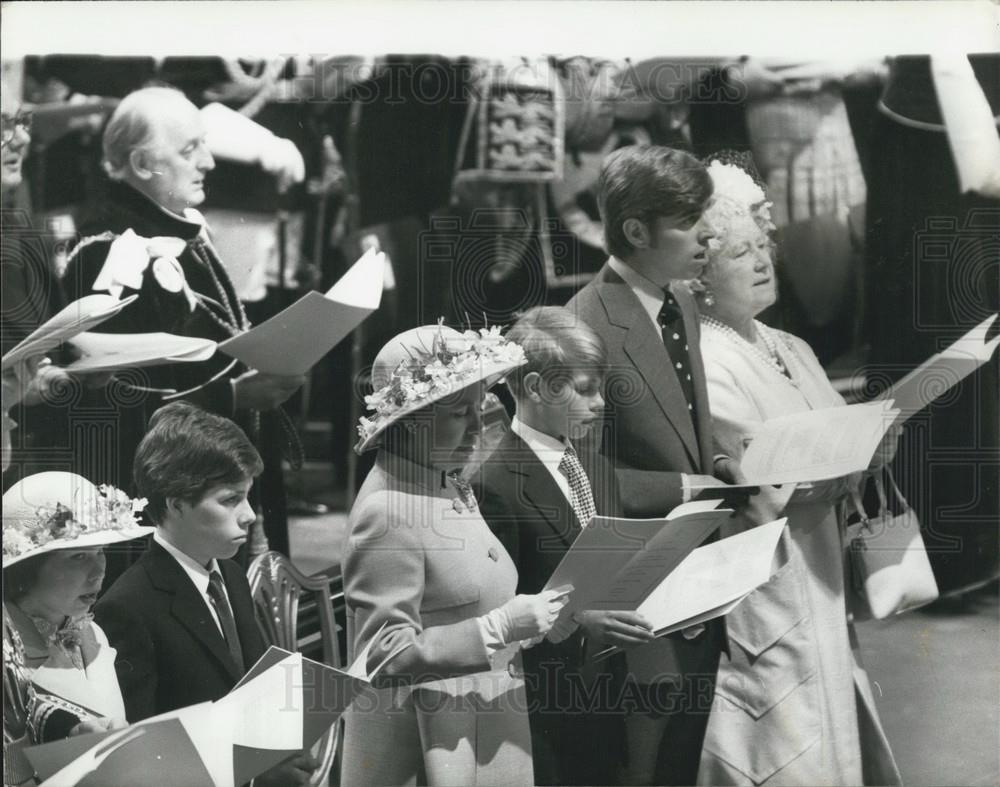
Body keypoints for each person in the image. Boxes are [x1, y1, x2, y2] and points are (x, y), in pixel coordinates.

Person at [691, 156, 901, 785]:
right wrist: (849, 457)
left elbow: (833, 436)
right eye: (741, 253)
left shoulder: (791, 345)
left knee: (835, 721)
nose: (763, 261)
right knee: (788, 734)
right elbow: (757, 471)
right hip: (771, 566)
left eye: (764, 246)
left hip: (823, 557)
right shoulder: (705, 360)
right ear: (700, 275)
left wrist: (875, 446)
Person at [61, 86, 304, 554]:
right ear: (141, 164)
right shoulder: (108, 254)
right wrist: (233, 395)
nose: (208, 162)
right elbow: (109, 399)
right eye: (189, 150)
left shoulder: (177, 228)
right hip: (170, 508)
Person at [564, 144, 736, 785]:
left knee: (682, 754)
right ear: (637, 232)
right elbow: (574, 477)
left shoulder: (678, 301)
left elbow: (683, 419)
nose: (710, 233)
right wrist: (685, 485)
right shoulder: (583, 323)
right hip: (635, 581)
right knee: (640, 762)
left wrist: (718, 460)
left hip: (697, 567)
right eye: (690, 221)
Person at [341, 322, 567, 786]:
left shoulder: (445, 477)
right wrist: (499, 628)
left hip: (481, 718)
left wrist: (527, 628)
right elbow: (382, 658)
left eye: (477, 409)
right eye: (459, 413)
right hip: (431, 746)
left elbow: (464, 598)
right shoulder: (387, 510)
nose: (477, 428)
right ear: (412, 422)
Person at [474, 305, 653, 785]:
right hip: (543, 705)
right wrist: (578, 619)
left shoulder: (595, 465)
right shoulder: (495, 482)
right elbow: (498, 609)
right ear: (535, 388)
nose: (600, 403)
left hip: (606, 692)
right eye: (585, 389)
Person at [93, 402, 318, 786]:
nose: (249, 514)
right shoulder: (128, 607)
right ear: (176, 504)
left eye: (248, 496)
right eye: (230, 499)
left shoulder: (230, 575)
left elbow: (250, 690)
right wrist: (252, 774)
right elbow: (142, 757)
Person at [2, 471, 153, 746]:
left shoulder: (92, 631)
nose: (99, 571)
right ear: (28, 567)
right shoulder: (7, 645)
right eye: (79, 556)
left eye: (101, 551)